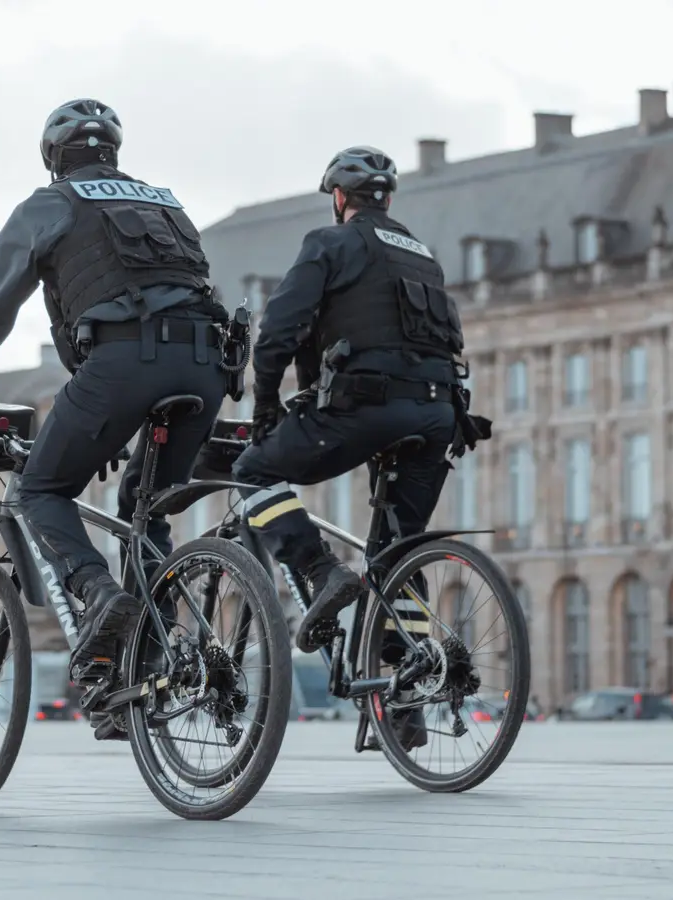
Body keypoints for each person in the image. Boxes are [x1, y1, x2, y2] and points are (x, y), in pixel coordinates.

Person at [0, 98, 228, 703]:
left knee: (42, 489)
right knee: (147, 507)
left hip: (127, 363)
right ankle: (143, 676)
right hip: (210, 365)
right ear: (113, 152)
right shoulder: (165, 201)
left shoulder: (51, 204)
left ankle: (100, 593)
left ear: (53, 157)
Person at [231, 146, 490, 750]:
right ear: (390, 199)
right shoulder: (423, 255)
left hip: (366, 407)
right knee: (396, 552)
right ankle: (404, 702)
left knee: (253, 473)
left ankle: (322, 572)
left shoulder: (328, 242)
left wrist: (267, 407)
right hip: (437, 415)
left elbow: (278, 332)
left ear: (339, 199)